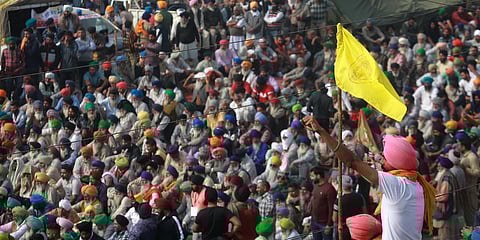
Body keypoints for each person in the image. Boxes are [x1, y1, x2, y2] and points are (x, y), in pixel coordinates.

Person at [303, 116, 436, 239]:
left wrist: (322, 132)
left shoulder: (397, 185)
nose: (381, 160)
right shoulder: (414, 182)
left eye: (385, 158)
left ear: (397, 163)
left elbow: (352, 162)